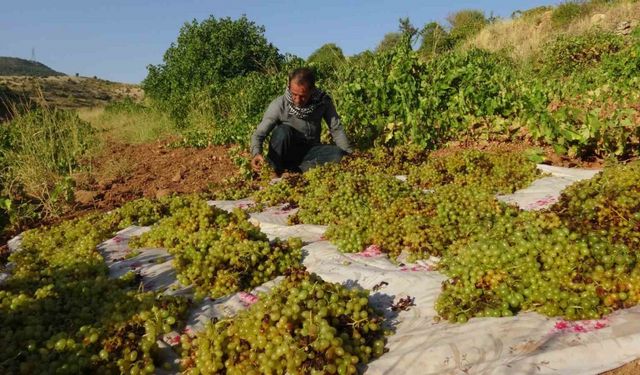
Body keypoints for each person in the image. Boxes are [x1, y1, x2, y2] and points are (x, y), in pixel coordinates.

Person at [250, 67, 352, 175]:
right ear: (289, 87)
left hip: (310, 151)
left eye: (303, 96)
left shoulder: (323, 102)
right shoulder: (279, 104)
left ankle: (297, 171)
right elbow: (258, 135)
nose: (297, 100)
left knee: (338, 154)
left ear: (312, 91)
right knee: (282, 131)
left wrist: (349, 154)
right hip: (285, 154)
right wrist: (256, 153)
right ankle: (275, 170)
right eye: (294, 94)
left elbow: (336, 129)